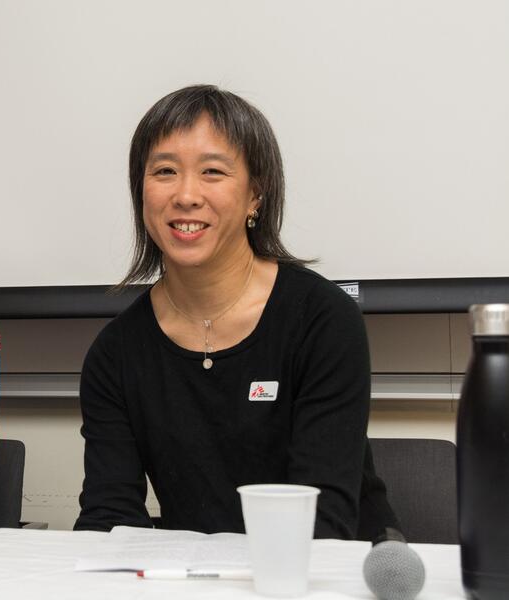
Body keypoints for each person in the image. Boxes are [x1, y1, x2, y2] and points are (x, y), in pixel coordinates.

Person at [74, 85, 396, 539]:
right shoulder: (116, 353)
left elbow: (324, 523)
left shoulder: (322, 320)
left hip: (333, 573)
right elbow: (109, 517)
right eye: (164, 171)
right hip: (201, 578)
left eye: (213, 172)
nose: (186, 195)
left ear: (255, 195)